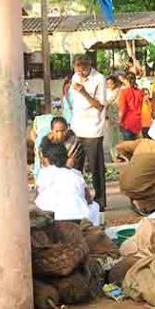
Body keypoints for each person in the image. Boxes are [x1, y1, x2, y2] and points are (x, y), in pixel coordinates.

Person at [67, 55, 108, 210]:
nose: (80, 72)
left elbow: (99, 106)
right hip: (77, 128)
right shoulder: (75, 77)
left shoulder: (99, 78)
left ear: (88, 66)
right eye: (77, 68)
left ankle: (100, 201)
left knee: (95, 167)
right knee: (74, 168)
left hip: (93, 129)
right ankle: (77, 198)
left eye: (83, 69)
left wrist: (84, 92)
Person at [35, 143, 102, 226]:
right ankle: (90, 231)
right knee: (95, 206)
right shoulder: (75, 174)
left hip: (51, 219)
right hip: (78, 219)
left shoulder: (43, 173)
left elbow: (37, 197)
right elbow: (88, 199)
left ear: (45, 159)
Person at [116, 73, 145, 142]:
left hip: (127, 123)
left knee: (128, 147)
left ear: (126, 80)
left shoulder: (124, 92)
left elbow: (122, 109)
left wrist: (119, 121)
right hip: (138, 121)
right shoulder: (140, 92)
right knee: (136, 147)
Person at [103, 75, 122, 161]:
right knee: (108, 137)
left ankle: (117, 155)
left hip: (117, 116)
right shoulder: (105, 92)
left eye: (111, 83)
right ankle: (111, 155)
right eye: (107, 83)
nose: (109, 85)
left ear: (115, 83)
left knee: (117, 137)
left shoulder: (119, 92)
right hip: (107, 116)